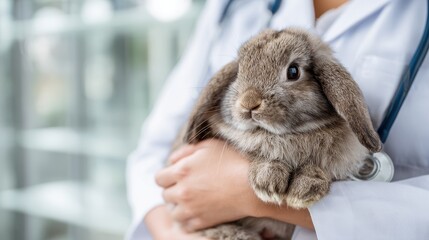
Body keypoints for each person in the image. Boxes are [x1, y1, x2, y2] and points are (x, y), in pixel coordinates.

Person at [126, 0, 429, 239]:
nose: (249, 103)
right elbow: (153, 151)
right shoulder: (230, 5)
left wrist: (247, 194)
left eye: (293, 74)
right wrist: (174, 231)